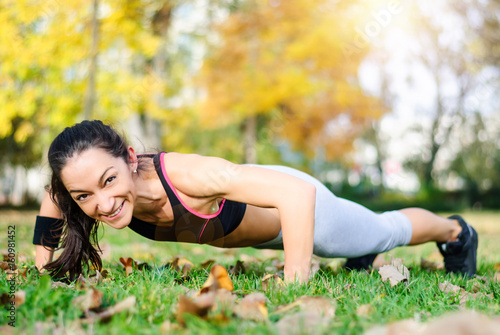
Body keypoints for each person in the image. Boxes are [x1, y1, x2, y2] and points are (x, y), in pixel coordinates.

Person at [33, 120, 478, 283]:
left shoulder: (189, 176)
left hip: (299, 215)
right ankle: (362, 251)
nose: (104, 204)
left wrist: (296, 282)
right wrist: (40, 264)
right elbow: (54, 195)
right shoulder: (82, 191)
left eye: (110, 180)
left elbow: (296, 194)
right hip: (271, 224)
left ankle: (456, 231)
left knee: (385, 230)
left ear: (131, 158)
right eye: (85, 195)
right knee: (366, 238)